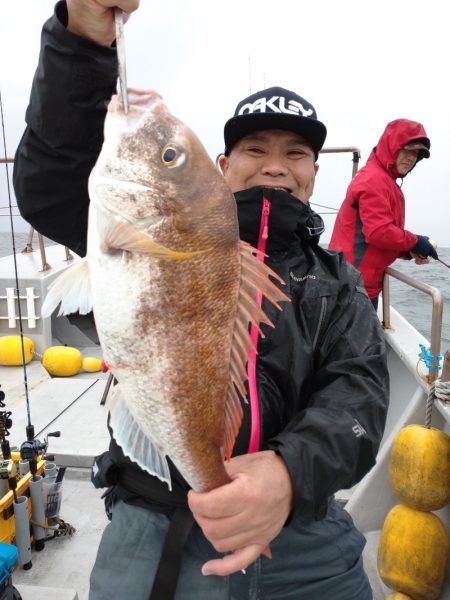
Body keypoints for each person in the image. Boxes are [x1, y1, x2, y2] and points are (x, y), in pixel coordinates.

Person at [13, 2, 389, 599]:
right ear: (221, 167)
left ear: (316, 170)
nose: (275, 165)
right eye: (254, 148)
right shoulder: (155, 223)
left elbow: (361, 396)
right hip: (155, 523)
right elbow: (49, 180)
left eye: (295, 153)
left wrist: (288, 476)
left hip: (305, 529)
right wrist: (82, 39)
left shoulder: (336, 281)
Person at [328, 119, 438, 309]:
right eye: (407, 150)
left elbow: (376, 237)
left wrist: (409, 250)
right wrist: (415, 241)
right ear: (391, 147)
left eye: (416, 154)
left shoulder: (385, 181)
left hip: (358, 284)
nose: (411, 158)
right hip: (352, 286)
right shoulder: (373, 179)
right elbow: (378, 232)